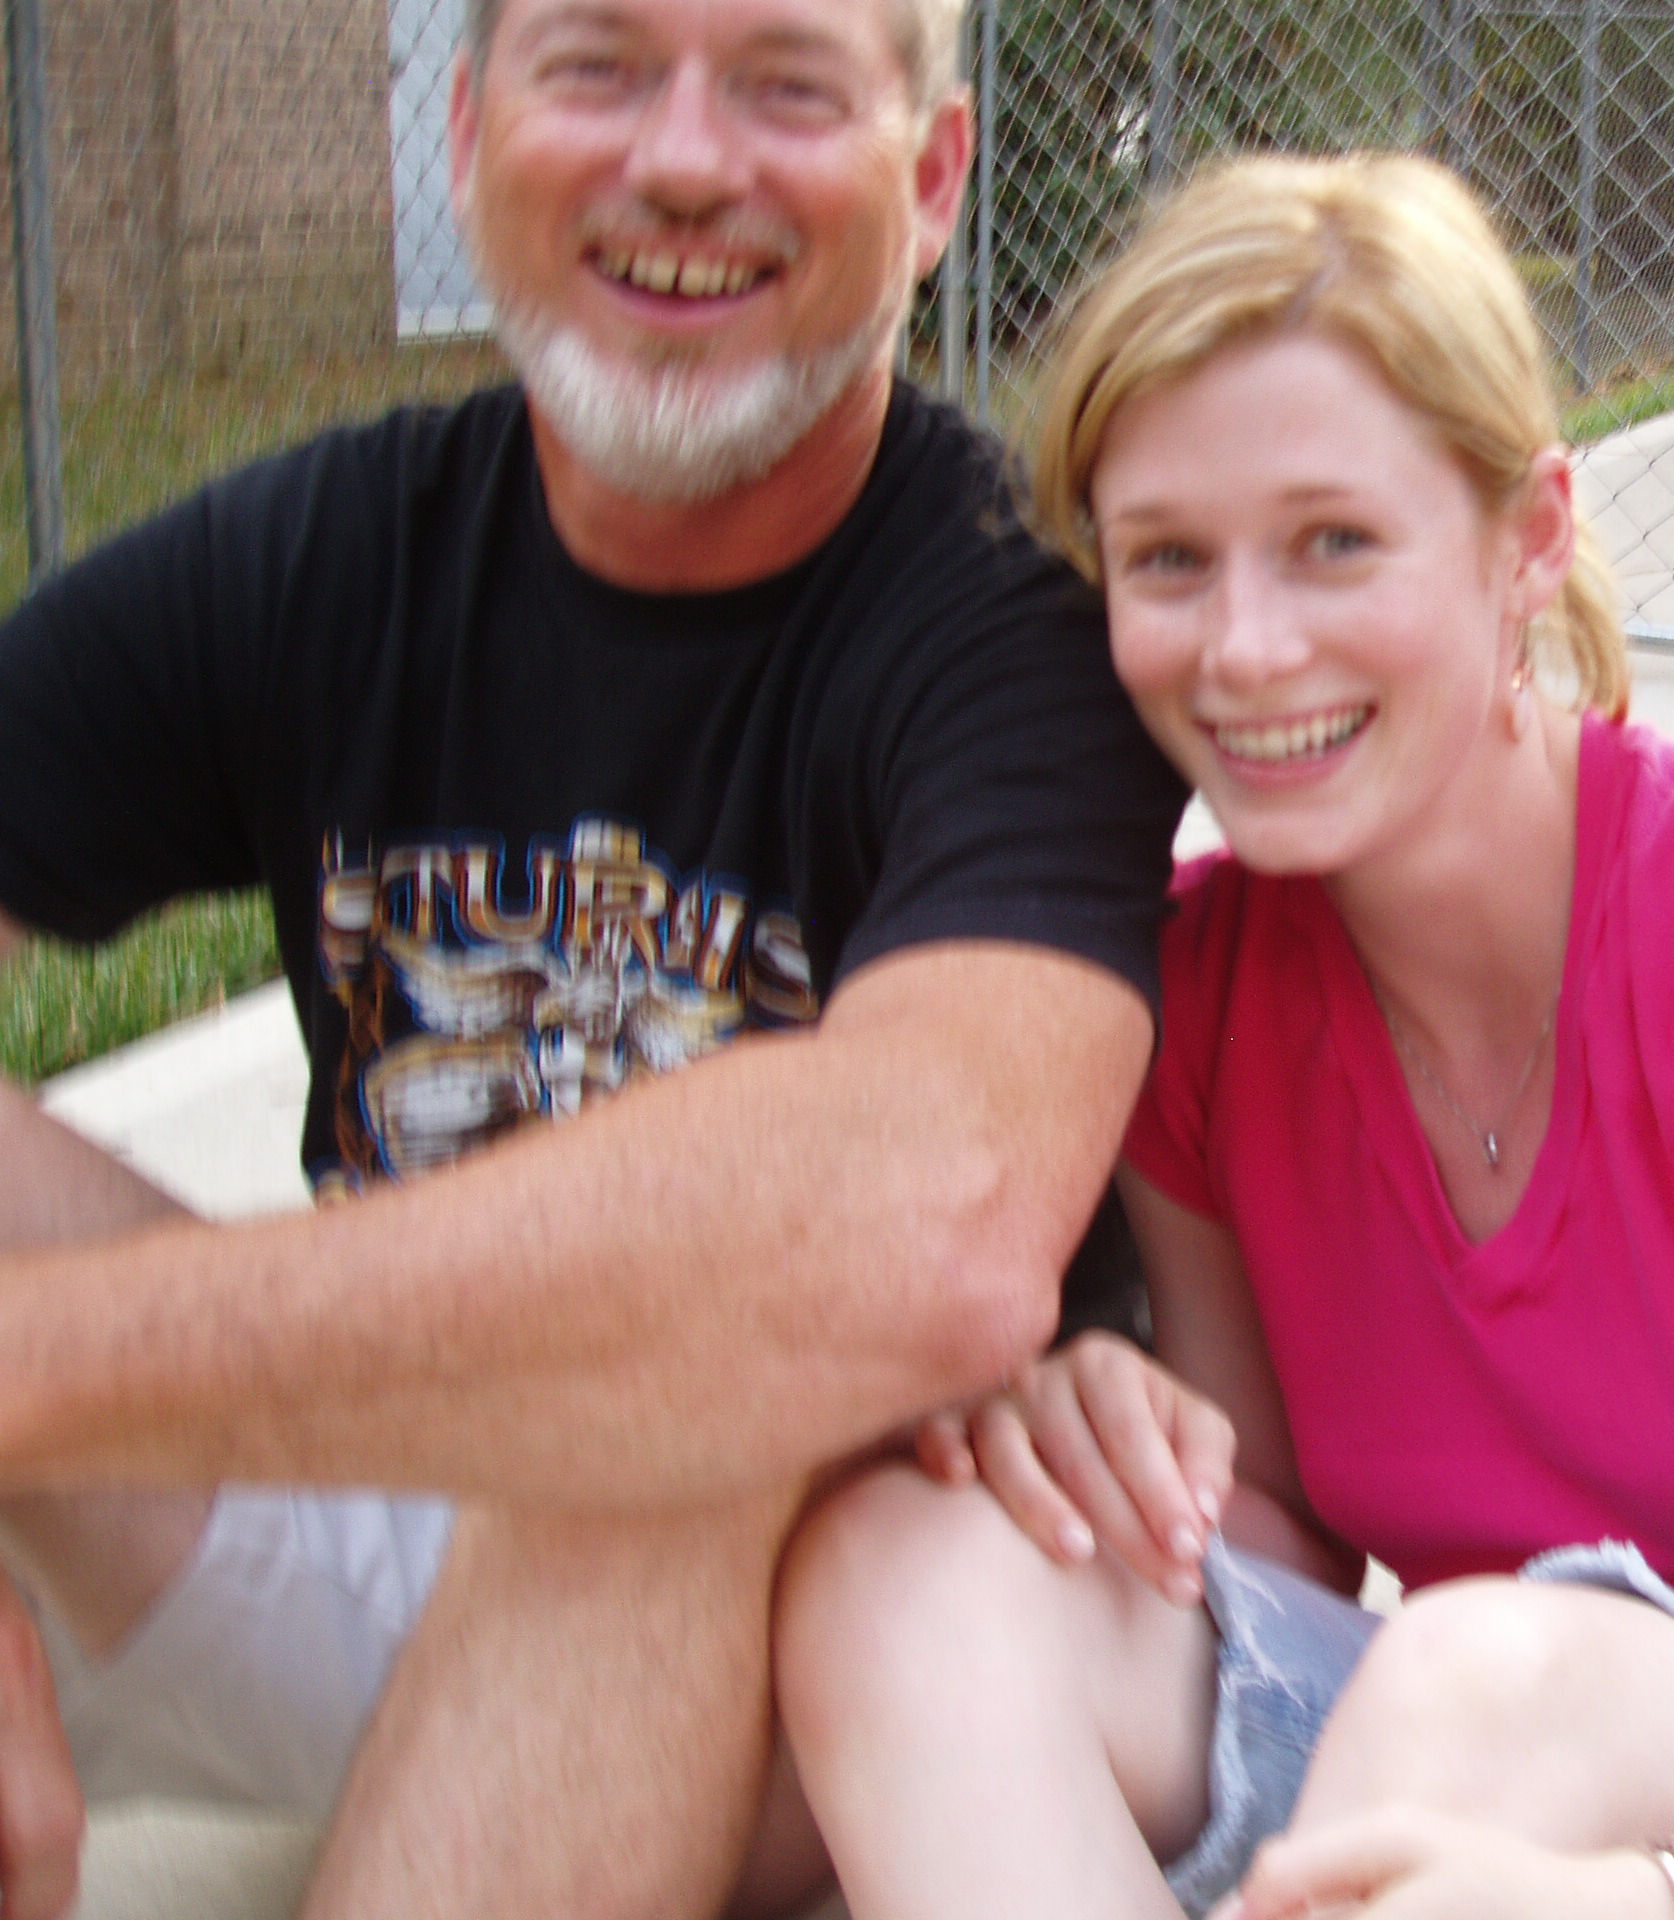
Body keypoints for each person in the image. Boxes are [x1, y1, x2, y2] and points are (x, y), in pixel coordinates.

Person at [769, 152, 1674, 1920]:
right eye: (1169, 560)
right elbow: (1288, 1541)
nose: (1245, 646)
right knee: (906, 1572)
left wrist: (1650, 1903)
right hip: (1486, 1755)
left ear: (1529, 538)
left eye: (1334, 542)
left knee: (1486, 1672)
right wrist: (1129, 1458)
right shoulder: (1200, 995)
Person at [0, 0, 1188, 1915]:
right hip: (351, 1521)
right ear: (470, 135)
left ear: (932, 180)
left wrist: (34, 1378)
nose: (686, 161)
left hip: (804, 1646)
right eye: (599, 67)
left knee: (718, 1356)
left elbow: (928, 1233)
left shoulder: (1015, 616)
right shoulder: (330, 554)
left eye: (787, 85)